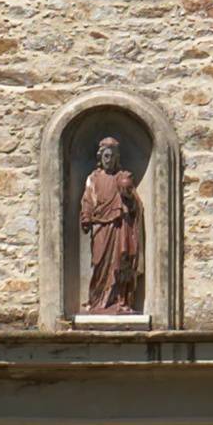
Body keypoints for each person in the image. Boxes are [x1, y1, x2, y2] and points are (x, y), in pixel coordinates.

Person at [79, 129, 146, 320]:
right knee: (99, 263)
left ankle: (120, 302)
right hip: (101, 226)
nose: (109, 160)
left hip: (120, 227)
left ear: (117, 158)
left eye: (112, 156)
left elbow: (135, 205)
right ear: (101, 157)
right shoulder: (93, 178)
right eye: (106, 156)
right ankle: (96, 301)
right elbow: (87, 199)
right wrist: (86, 216)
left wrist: (128, 195)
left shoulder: (123, 177)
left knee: (120, 264)